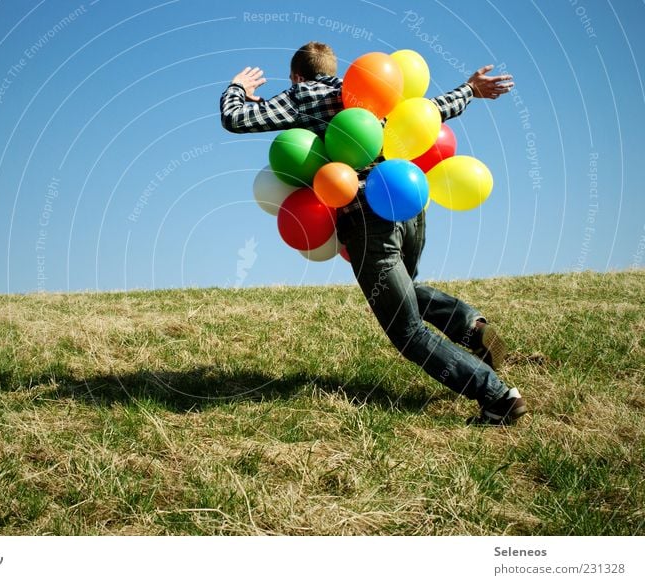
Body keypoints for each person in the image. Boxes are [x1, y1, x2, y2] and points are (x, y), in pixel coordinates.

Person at [219, 41, 526, 425]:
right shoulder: (371, 85)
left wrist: (238, 87)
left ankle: (497, 396)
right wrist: (470, 89)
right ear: (332, 68)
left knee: (407, 329)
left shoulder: (301, 96)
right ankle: (468, 326)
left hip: (365, 217)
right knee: (406, 290)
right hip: (408, 207)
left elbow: (235, 118)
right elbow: (428, 112)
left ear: (298, 75)